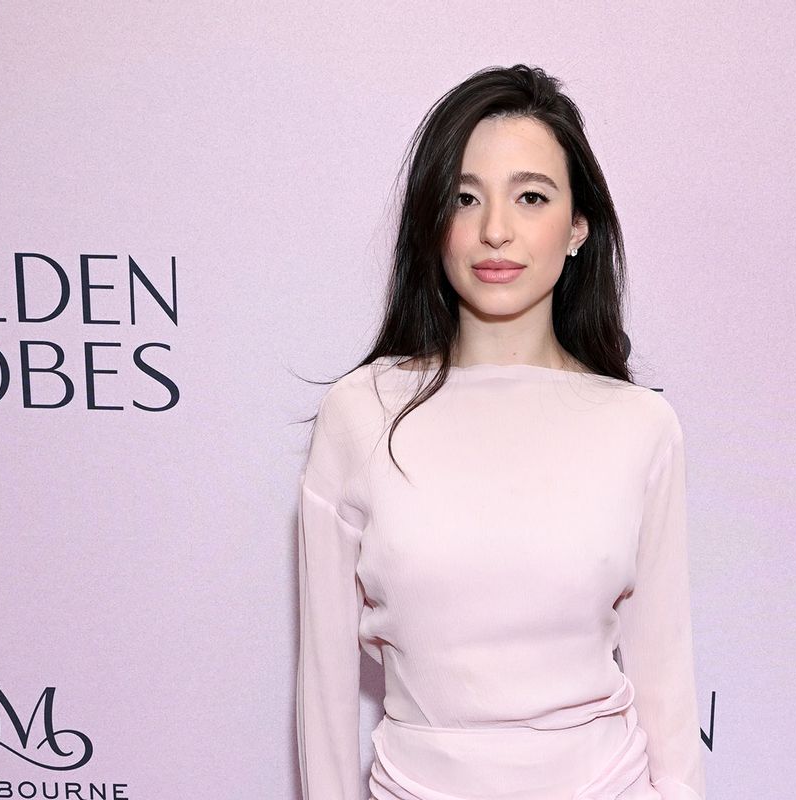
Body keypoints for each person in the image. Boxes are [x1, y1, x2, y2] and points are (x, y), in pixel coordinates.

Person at [296, 64, 706, 800]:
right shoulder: (362, 413)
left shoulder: (640, 426)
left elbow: (665, 680)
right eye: (464, 197)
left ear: (578, 226)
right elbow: (324, 689)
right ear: (432, 222)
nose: (495, 230)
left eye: (531, 197)